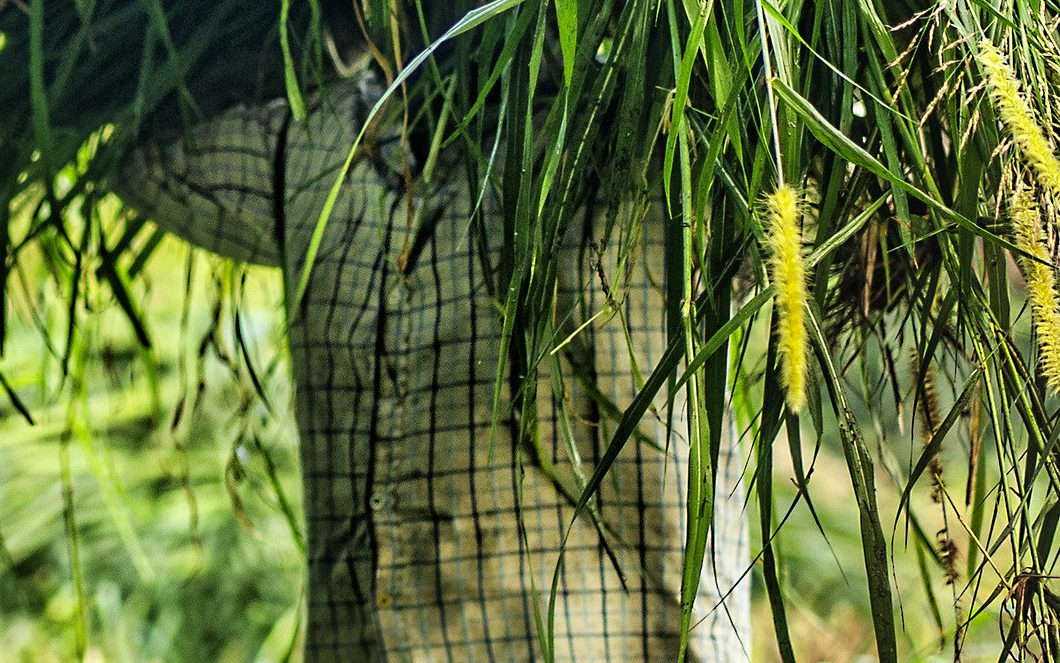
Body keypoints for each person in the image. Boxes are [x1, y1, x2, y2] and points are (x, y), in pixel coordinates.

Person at [114, 69, 754, 661]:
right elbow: (149, 161)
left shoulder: (660, 136)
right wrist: (335, 32)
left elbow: (815, 203)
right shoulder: (319, 151)